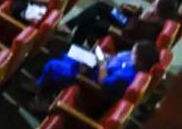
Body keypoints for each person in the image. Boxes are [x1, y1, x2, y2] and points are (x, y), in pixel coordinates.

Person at [27, 41, 158, 111]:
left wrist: (101, 64)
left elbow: (103, 83)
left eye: (133, 53)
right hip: (95, 64)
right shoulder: (132, 59)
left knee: (53, 64)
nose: (130, 54)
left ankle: (43, 95)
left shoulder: (125, 78)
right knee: (65, 52)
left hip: (88, 80)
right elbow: (116, 58)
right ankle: (44, 81)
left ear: (141, 61)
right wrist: (103, 57)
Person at [66, 0, 177, 48]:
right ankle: (69, 26)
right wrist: (138, 11)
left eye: (153, 5)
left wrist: (142, 18)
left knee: (92, 22)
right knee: (101, 6)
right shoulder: (153, 17)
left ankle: (73, 46)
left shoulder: (150, 28)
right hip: (124, 20)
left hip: (122, 30)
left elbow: (129, 35)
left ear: (157, 13)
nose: (151, 5)